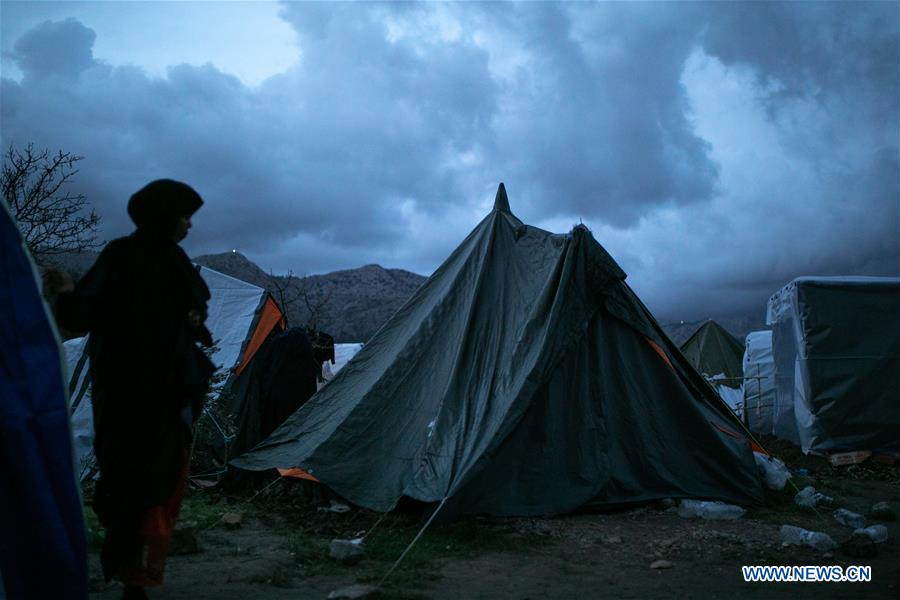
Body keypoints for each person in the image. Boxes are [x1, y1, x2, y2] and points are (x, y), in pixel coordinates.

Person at [46, 179, 215, 600]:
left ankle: (135, 576)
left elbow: (191, 319)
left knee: (147, 482)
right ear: (164, 217)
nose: (190, 226)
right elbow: (84, 314)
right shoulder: (126, 259)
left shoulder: (160, 261)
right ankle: (133, 577)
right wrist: (66, 294)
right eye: (184, 216)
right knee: (136, 482)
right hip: (136, 394)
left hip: (153, 392)